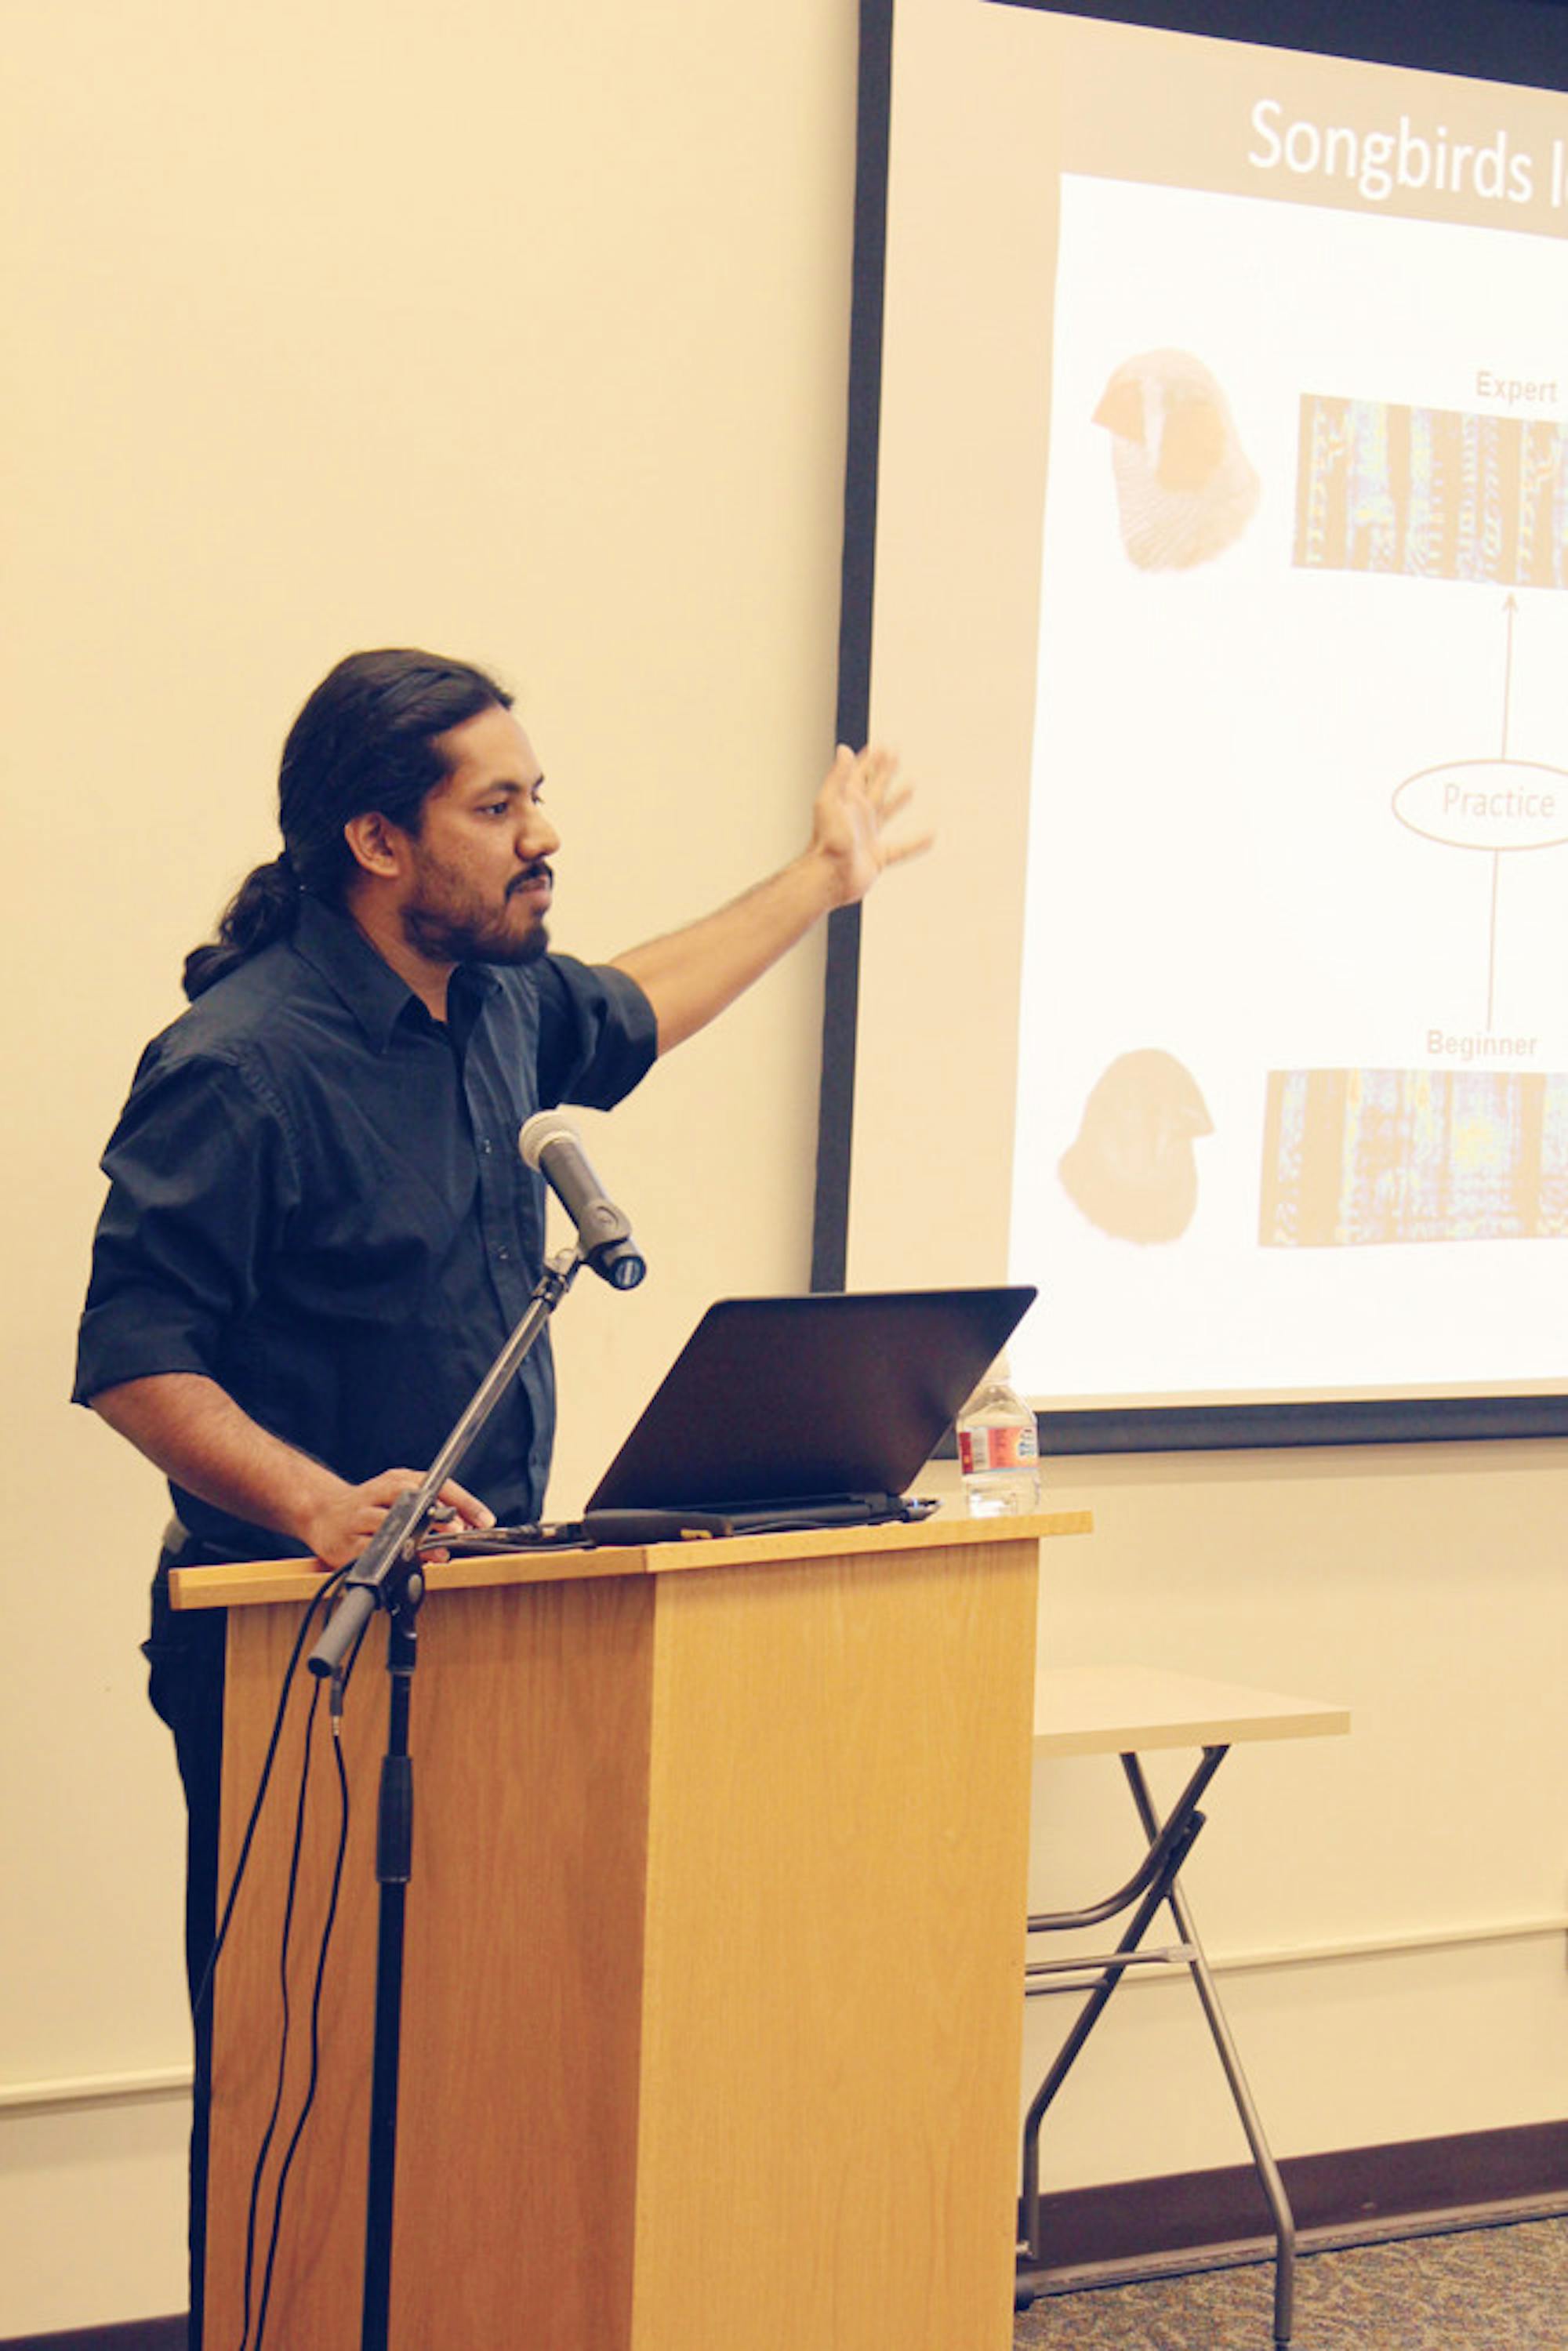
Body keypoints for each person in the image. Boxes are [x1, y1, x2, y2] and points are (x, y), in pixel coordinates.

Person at [72, 645, 927, 2342]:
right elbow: (134, 1355)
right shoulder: (240, 1061)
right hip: (291, 1657)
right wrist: (322, 1506)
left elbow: (642, 1001)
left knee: (478, 2082)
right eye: (501, 802)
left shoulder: (512, 1006)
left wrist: (822, 881)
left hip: (502, 1640)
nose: (545, 832)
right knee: (301, 2079)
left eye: (537, 793)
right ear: (379, 841)